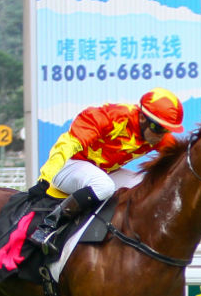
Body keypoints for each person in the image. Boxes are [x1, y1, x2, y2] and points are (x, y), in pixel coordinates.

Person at [27, 87, 186, 256]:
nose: (162, 135)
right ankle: (48, 226)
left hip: (102, 172)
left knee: (146, 187)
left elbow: (182, 160)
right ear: (142, 118)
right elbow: (66, 146)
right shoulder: (110, 117)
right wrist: (45, 179)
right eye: (159, 128)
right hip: (68, 166)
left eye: (167, 130)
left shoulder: (156, 134)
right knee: (104, 186)